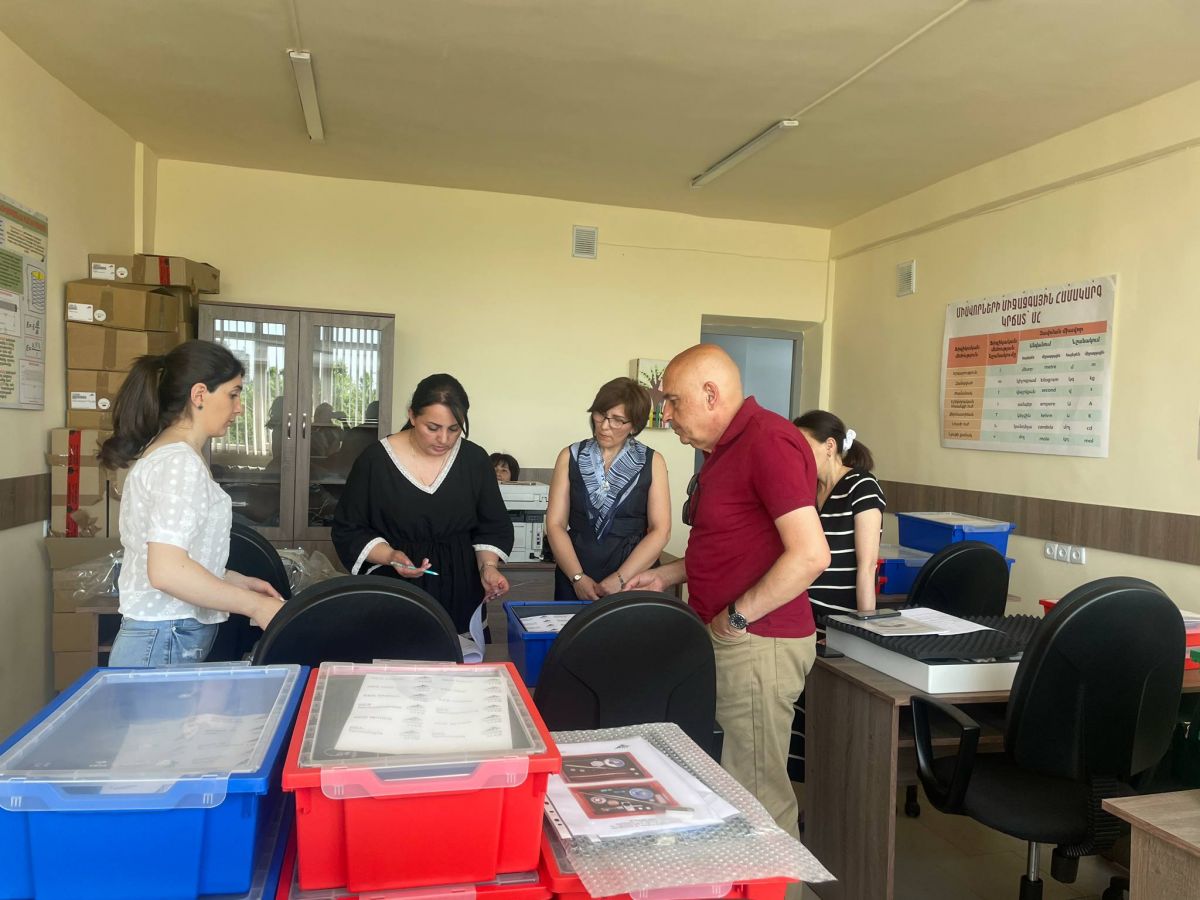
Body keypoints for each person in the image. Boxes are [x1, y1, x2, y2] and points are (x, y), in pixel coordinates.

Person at [624, 345, 829, 839]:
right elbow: (734, 542)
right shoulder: (724, 450)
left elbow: (810, 555)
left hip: (758, 643)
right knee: (728, 786)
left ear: (711, 394)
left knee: (757, 800)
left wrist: (735, 617)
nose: (666, 416)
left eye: (673, 402)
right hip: (733, 636)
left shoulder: (768, 440)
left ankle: (779, 880)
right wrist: (668, 576)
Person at [98, 341, 285, 667]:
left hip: (163, 636)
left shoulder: (172, 453)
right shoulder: (179, 463)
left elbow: (174, 559)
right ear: (199, 395)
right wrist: (255, 606)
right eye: (233, 394)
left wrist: (231, 579)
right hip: (163, 638)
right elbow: (167, 571)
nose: (239, 408)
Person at [331, 374, 513, 633]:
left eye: (454, 429)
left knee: (458, 654)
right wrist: (390, 556)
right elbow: (349, 528)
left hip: (461, 587)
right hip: (394, 587)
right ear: (412, 416)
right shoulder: (375, 461)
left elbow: (492, 526)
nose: (444, 439)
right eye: (433, 428)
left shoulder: (474, 460)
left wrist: (489, 568)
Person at [546, 377, 671, 601]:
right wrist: (577, 577)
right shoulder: (570, 456)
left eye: (617, 420)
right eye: (600, 415)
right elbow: (555, 524)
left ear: (634, 425)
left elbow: (660, 530)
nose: (604, 426)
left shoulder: (653, 461)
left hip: (632, 575)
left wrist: (621, 578)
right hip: (575, 569)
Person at [793, 410, 886, 615]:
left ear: (829, 446)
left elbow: (867, 567)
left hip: (839, 619)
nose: (798, 455)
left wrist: (864, 626)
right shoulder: (807, 489)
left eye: (804, 447)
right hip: (803, 615)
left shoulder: (862, 486)